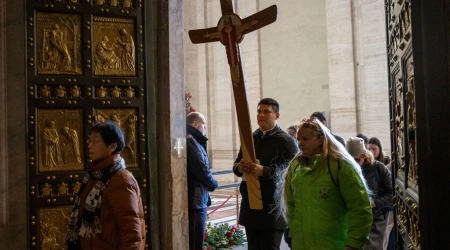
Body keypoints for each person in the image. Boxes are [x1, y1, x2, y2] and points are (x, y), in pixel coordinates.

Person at [285, 118, 372, 250]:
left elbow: (360, 208)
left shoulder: (340, 166)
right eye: (298, 139)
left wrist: (354, 244)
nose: (300, 143)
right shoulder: (296, 167)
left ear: (320, 139)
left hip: (334, 244)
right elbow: (291, 205)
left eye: (305, 139)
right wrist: (293, 234)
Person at [65, 121, 145, 250]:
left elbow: (131, 233)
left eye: (95, 141)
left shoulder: (120, 180)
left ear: (112, 146)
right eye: (89, 140)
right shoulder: (95, 175)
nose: (90, 146)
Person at [233, 98, 299, 250]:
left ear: (277, 115)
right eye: (259, 112)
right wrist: (240, 167)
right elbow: (236, 164)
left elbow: (295, 172)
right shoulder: (250, 138)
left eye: (266, 112)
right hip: (251, 206)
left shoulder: (287, 141)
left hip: (272, 208)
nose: (261, 115)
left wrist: (265, 171)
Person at [346, 137, 393, 250]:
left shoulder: (379, 168)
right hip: (353, 219)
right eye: (349, 160)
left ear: (363, 156)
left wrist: (374, 203)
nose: (354, 164)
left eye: (356, 160)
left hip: (376, 219)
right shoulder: (345, 168)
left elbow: (392, 194)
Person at [186, 112, 218, 250]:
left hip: (198, 198)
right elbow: (202, 169)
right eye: (203, 124)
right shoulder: (191, 140)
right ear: (195, 124)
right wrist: (213, 183)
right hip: (196, 201)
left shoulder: (194, 140)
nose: (204, 127)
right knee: (195, 242)